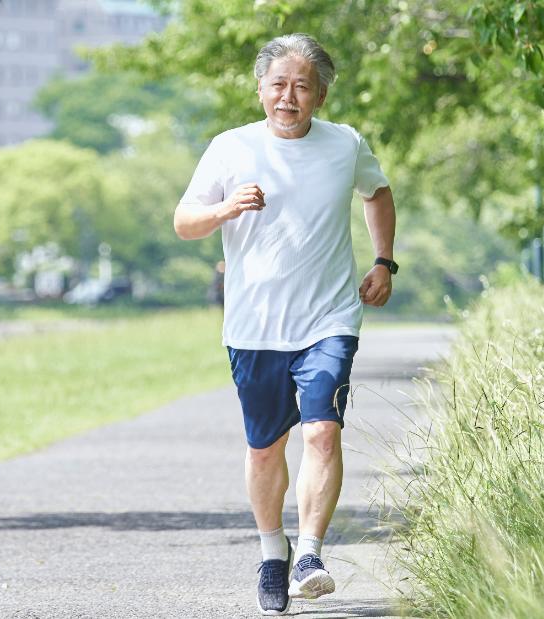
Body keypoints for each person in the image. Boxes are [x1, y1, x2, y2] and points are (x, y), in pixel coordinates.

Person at [173, 33, 397, 615]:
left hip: (329, 316)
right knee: (266, 449)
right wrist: (225, 209)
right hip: (254, 327)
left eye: (301, 86)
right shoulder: (229, 148)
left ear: (320, 94)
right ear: (260, 89)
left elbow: (377, 192)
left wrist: (383, 260)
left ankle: (311, 555)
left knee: (323, 430)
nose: (288, 97)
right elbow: (184, 222)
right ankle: (274, 550)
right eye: (278, 85)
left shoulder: (345, 144)